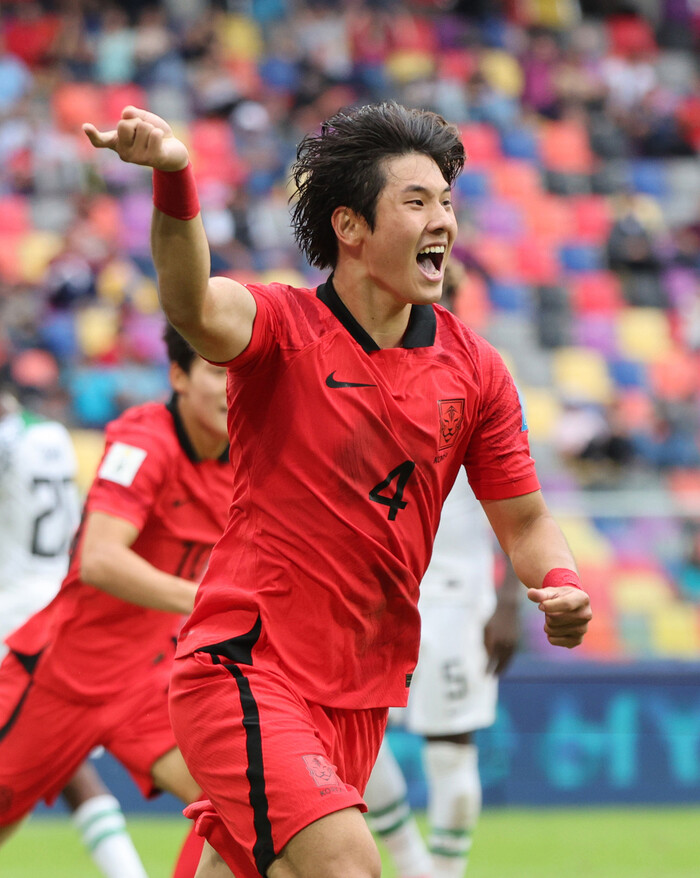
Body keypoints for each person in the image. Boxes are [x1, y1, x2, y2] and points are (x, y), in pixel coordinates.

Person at [83, 101, 592, 878]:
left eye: (447, 202)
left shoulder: (477, 370)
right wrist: (175, 177)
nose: (443, 222)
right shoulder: (282, 330)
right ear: (351, 228)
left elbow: (525, 521)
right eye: (416, 202)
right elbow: (193, 304)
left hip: (358, 694)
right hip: (246, 665)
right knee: (348, 865)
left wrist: (557, 581)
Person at [0, 325, 233, 873]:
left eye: (239, 373)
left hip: (152, 685)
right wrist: (211, 600)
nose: (232, 388)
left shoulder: (251, 455)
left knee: (247, 810)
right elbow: (102, 560)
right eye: (217, 372)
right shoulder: (144, 438)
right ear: (178, 376)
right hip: (60, 677)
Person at [0, 386, 150, 877]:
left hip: (12, 614)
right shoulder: (51, 435)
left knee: (23, 766)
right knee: (66, 764)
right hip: (57, 601)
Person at [364, 470, 521, 878]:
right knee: (355, 735)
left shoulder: (480, 404)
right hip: (374, 591)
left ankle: (445, 872)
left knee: (452, 745)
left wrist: (509, 601)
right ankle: (414, 865)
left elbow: (518, 504)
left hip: (457, 598)